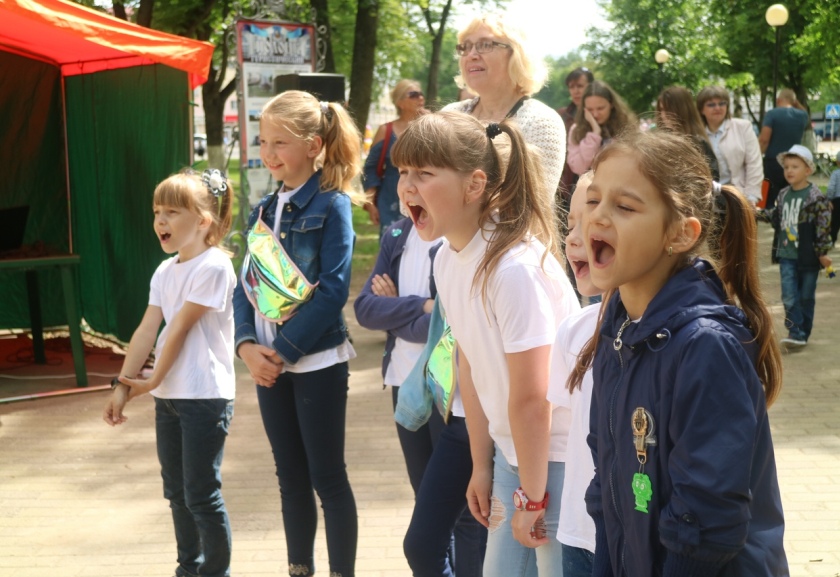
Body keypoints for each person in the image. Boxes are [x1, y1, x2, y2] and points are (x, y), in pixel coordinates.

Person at [572, 129, 788, 575]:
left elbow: (705, 524)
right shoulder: (617, 333)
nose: (598, 217)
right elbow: (607, 490)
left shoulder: (705, 346)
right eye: (594, 200)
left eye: (625, 206)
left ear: (680, 234)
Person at [392, 110, 580, 576]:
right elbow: (469, 364)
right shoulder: (447, 259)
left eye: (424, 173)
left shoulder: (514, 270)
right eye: (403, 172)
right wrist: (482, 464)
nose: (407, 187)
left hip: (561, 459)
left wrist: (532, 497)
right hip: (514, 456)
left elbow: (534, 399)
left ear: (475, 185)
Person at [233, 90, 363, 577]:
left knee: (327, 478)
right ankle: (299, 569)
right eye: (263, 142)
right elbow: (244, 287)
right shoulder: (261, 210)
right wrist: (247, 348)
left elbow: (333, 290)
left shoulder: (332, 205)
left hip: (316, 363)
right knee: (290, 478)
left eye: (280, 142)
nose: (269, 154)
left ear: (313, 145)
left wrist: (281, 352)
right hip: (267, 366)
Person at [103, 168, 236, 577]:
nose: (161, 220)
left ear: (203, 221)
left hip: (204, 398)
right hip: (169, 398)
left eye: (172, 212)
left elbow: (178, 329)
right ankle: (188, 569)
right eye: (157, 211)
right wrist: (122, 385)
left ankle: (214, 573)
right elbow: (148, 329)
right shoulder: (164, 271)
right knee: (177, 494)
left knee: (201, 495)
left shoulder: (214, 266)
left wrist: (151, 381)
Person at [354, 213, 487, 577]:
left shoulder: (453, 242)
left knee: (465, 515)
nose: (410, 189)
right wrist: (422, 305)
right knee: (426, 501)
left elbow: (447, 325)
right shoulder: (397, 234)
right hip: (407, 386)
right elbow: (365, 309)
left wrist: (396, 311)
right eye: (404, 181)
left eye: (422, 181)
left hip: (450, 392)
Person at [445, 14, 566, 205]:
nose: (471, 54)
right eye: (465, 47)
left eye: (485, 44)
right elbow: (413, 197)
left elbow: (532, 208)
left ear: (516, 55)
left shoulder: (541, 122)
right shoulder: (448, 114)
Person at [546, 171, 598, 577]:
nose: (574, 239)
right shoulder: (574, 331)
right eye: (570, 225)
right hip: (578, 532)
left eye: (592, 224)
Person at [769, 144, 833, 350]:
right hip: (786, 255)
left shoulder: (816, 198)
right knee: (789, 295)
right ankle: (795, 332)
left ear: (808, 170)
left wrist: (822, 253)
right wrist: (755, 212)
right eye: (786, 167)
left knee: (806, 297)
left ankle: (803, 332)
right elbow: (775, 219)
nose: (789, 171)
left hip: (808, 256)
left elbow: (823, 228)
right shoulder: (783, 195)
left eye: (795, 167)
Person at [363, 79, 428, 237]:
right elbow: (370, 169)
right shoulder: (385, 131)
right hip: (390, 200)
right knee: (393, 243)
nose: (420, 98)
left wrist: (433, 122)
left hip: (425, 198)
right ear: (400, 103)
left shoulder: (429, 127)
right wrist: (371, 203)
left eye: (421, 94)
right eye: (413, 95)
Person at [696, 85, 764, 205]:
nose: (717, 108)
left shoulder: (743, 127)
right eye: (711, 105)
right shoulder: (697, 134)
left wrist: (751, 197)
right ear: (701, 110)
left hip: (739, 197)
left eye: (722, 103)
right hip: (707, 200)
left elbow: (754, 164)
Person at [567, 80, 636, 176]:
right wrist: (594, 134)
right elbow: (578, 168)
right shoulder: (576, 130)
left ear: (611, 104)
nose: (595, 114)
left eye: (600, 108)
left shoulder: (626, 126)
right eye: (590, 109)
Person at [655, 85, 720, 182]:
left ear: (682, 110)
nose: (664, 115)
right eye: (662, 109)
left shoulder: (699, 144)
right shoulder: (660, 144)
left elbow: (712, 180)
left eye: (669, 109)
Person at [759, 88, 810, 210]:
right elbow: (804, 111)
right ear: (794, 102)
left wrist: (758, 155)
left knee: (770, 196)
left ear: (778, 100)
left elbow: (764, 139)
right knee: (791, 193)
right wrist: (795, 103)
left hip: (773, 161)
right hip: (795, 161)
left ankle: (769, 214)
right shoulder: (802, 115)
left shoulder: (772, 114)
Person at [557, 67, 594, 201]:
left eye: (580, 86)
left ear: (590, 86)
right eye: (572, 87)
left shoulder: (600, 114)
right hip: (566, 182)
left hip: (594, 179)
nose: (576, 91)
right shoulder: (562, 115)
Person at [827, 150, 840, 245]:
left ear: (837, 162)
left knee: (835, 222)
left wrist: (829, 199)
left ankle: (832, 240)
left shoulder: (835, 174)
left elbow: (831, 188)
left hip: (837, 201)